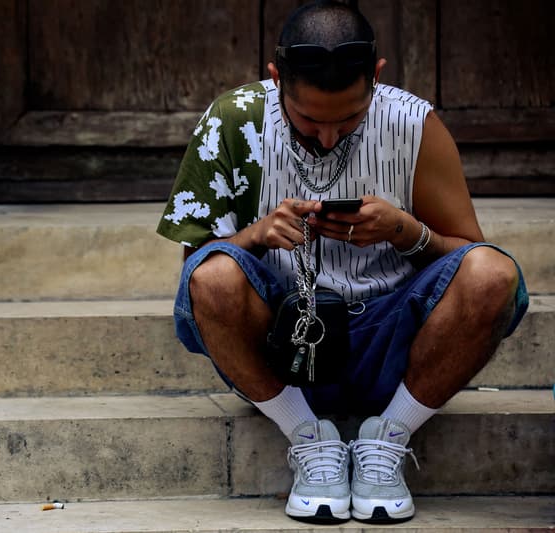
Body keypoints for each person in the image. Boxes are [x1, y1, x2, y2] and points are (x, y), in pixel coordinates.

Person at [156, 0, 528, 524]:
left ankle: (388, 438)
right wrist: (258, 235)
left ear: (376, 76)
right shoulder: (233, 120)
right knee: (216, 274)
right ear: (274, 78)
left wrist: (407, 232)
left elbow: (471, 260)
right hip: (281, 341)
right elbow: (197, 276)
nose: (328, 138)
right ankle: (309, 440)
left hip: (393, 341)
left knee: (495, 273)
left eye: (350, 119)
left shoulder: (415, 124)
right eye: (307, 120)